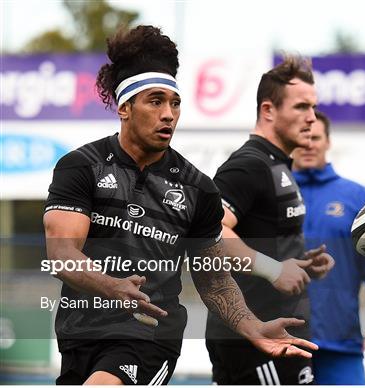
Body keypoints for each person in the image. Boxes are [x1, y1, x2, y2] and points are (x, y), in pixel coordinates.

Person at [43, 25, 317, 386]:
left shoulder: (197, 187)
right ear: (125, 108)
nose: (169, 114)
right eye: (155, 101)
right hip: (79, 333)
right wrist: (112, 286)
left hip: (149, 336)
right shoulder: (81, 166)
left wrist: (253, 326)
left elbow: (214, 279)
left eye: (174, 103)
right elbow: (62, 254)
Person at [205, 56, 335, 385]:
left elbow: (262, 240)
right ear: (268, 110)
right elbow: (211, 232)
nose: (312, 118)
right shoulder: (249, 165)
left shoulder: (279, 166)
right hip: (255, 342)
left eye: (314, 108)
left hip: (283, 337)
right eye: (301, 107)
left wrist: (301, 265)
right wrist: (274, 269)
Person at [292, 110, 365, 385]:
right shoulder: (271, 195)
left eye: (316, 137)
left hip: (340, 341)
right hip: (282, 342)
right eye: (303, 137)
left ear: (328, 142)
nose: (310, 144)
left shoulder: (357, 197)